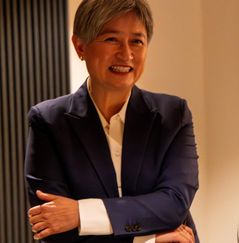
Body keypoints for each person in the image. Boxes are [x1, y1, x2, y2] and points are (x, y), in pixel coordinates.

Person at [24, 0, 198, 242]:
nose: (126, 54)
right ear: (80, 46)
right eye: (111, 39)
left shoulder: (172, 115)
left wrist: (80, 214)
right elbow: (53, 229)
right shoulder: (49, 122)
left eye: (137, 41)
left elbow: (174, 204)